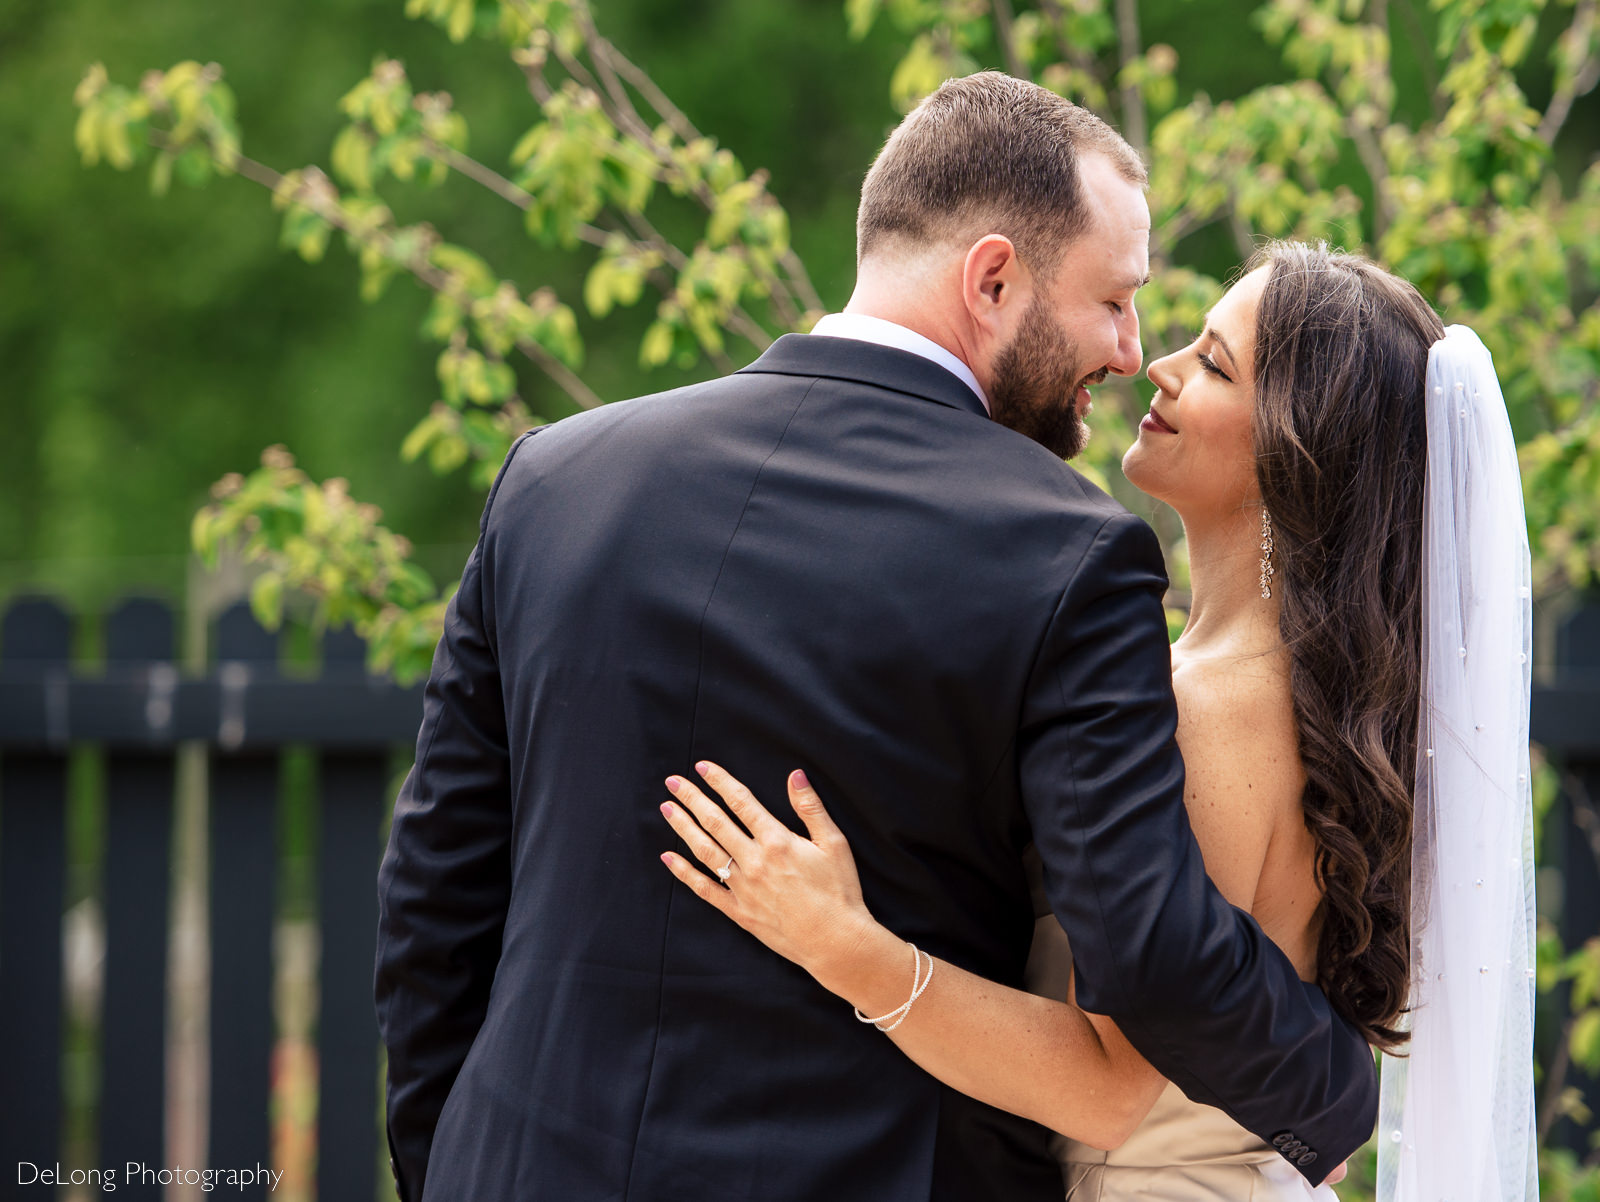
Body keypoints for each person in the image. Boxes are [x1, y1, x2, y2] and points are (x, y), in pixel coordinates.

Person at [375, 74, 1375, 1202]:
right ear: (993, 277)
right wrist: (1335, 1090)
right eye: (1112, 300)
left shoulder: (556, 476)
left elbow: (433, 909)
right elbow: (1148, 944)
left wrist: (448, 1168)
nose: (1129, 347)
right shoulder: (1067, 553)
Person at [657, 244, 1539, 1201]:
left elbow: (1111, 1089)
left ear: (1291, 454)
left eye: (1212, 363)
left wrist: (846, 947)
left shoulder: (1218, 710)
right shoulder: (1274, 692)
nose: (1158, 366)